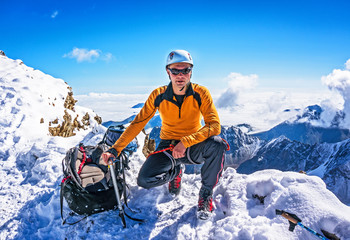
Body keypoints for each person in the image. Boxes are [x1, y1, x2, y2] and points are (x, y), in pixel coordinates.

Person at [101, 50, 228, 220]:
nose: (180, 75)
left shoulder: (200, 93)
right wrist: (115, 150)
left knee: (218, 144)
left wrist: (186, 141)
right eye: (175, 70)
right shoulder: (158, 95)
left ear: (191, 71)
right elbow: (138, 123)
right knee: (144, 180)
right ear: (168, 72)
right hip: (168, 145)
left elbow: (214, 125)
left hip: (192, 145)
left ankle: (205, 195)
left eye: (186, 70)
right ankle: (175, 172)